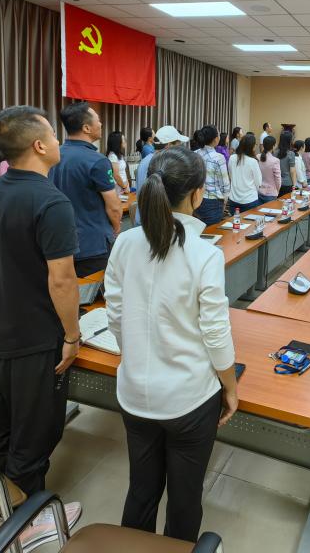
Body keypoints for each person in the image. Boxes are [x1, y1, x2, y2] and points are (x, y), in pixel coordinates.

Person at [105, 148, 237, 541]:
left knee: (141, 489)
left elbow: (116, 314)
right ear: (197, 194)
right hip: (188, 399)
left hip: (134, 393)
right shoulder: (204, 253)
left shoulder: (126, 242)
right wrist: (230, 386)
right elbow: (215, 332)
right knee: (185, 498)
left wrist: (137, 354)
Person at [0, 106, 84, 547]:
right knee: (35, 433)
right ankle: (26, 523)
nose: (58, 142)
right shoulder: (51, 201)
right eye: (53, 135)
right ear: (39, 145)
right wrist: (72, 335)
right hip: (33, 338)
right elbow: (62, 279)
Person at [49, 103, 120, 278]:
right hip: (93, 244)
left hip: (59, 241)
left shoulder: (53, 155)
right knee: (94, 292)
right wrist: (116, 228)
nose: (101, 124)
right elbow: (113, 207)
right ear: (86, 128)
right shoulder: (97, 161)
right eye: (98, 120)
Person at [194, 125, 229, 227]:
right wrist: (225, 201)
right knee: (212, 232)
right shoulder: (219, 158)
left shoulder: (195, 154)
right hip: (213, 202)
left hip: (196, 199)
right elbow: (225, 184)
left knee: (199, 230)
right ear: (215, 139)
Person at [227, 132, 262, 213]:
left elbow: (230, 176)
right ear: (252, 146)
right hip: (250, 199)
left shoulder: (232, 158)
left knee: (234, 221)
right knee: (249, 221)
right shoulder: (253, 161)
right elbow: (258, 182)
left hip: (234, 198)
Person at [258, 135, 281, 203]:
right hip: (271, 193)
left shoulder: (257, 156)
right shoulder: (275, 160)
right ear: (273, 146)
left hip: (259, 191)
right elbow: (278, 179)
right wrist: (277, 190)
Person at [277, 130, 298, 197]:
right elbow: (292, 171)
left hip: (277, 182)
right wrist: (294, 185)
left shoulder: (274, 152)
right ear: (289, 141)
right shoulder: (291, 154)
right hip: (287, 183)